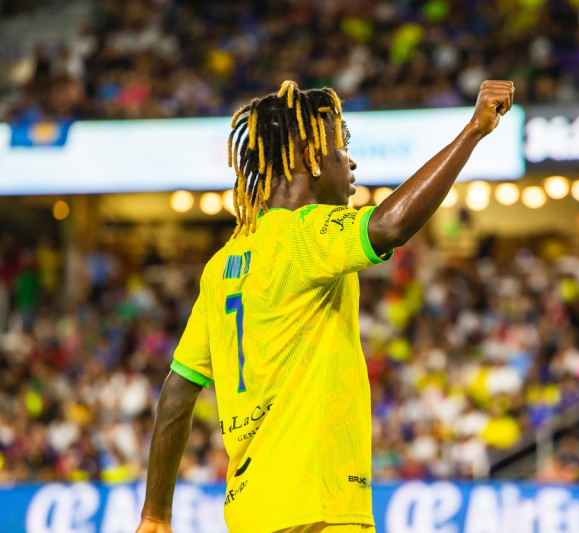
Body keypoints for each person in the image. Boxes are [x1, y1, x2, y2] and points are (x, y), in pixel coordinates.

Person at [135, 79, 514, 533]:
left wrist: (155, 513)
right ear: (308, 157)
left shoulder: (222, 266)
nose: (350, 160)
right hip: (319, 509)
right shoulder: (306, 234)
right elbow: (391, 226)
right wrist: (473, 130)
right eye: (340, 145)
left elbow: (178, 391)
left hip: (250, 515)